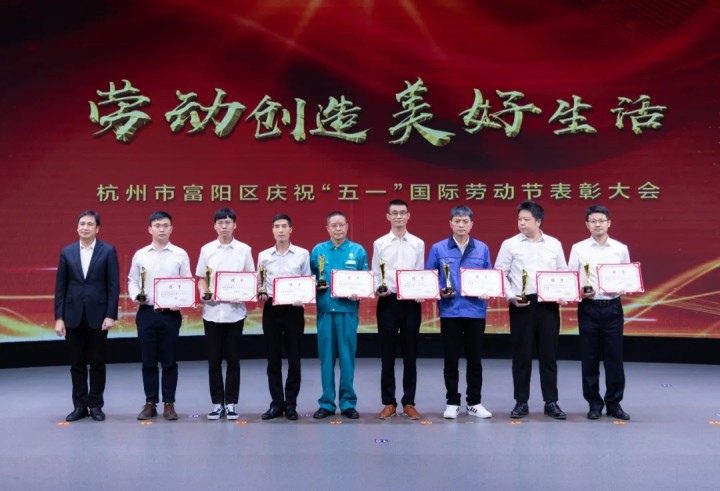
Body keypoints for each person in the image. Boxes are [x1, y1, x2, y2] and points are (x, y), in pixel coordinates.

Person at [495, 200, 568, 420]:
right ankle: (521, 402)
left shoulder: (554, 244)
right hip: (521, 304)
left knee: (549, 355)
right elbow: (500, 273)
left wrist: (563, 293)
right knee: (521, 355)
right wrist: (510, 296)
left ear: (538, 221)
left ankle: (551, 402)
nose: (521, 223)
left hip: (548, 305)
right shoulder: (510, 244)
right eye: (519, 219)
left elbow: (562, 271)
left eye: (526, 219)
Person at [426, 205, 493, 420]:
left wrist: (487, 290)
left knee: (475, 360)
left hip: (475, 312)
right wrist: (440, 291)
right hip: (450, 312)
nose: (461, 225)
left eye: (465, 221)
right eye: (457, 221)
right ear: (450, 223)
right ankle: (452, 402)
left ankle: (474, 402)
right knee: (451, 359)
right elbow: (429, 277)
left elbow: (490, 277)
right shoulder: (438, 248)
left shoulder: (482, 248)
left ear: (472, 224)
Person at [54, 210, 120, 422]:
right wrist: (59, 317)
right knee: (77, 364)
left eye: (90, 224)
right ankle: (80, 406)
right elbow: (60, 287)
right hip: (72, 316)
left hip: (98, 316)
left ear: (97, 229)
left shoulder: (107, 251)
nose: (85, 227)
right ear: (77, 227)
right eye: (82, 223)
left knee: (97, 363)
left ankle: (96, 405)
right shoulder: (67, 252)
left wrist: (110, 314)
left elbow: (113, 286)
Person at [568, 205, 631, 420]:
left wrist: (624, 286)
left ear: (609, 223)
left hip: (613, 307)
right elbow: (571, 278)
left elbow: (627, 275)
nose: (597, 224)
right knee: (590, 358)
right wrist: (580, 291)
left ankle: (614, 403)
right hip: (589, 307)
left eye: (601, 220)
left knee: (615, 358)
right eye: (593, 221)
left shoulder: (620, 248)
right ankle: (594, 404)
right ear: (587, 225)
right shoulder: (578, 248)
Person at [128, 211, 191, 421]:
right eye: (157, 225)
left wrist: (181, 300)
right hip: (146, 313)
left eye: (165, 225)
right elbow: (132, 280)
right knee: (148, 361)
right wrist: (136, 296)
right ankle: (150, 403)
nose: (161, 229)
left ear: (171, 229)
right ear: (150, 229)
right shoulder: (140, 255)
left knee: (169, 361)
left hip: (170, 315)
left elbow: (187, 282)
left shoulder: (180, 254)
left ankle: (169, 403)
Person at [196, 208, 254, 421]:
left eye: (228, 222)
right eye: (220, 222)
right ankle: (216, 403)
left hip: (235, 314)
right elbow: (201, 278)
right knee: (213, 362)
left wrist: (243, 293)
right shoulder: (207, 249)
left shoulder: (244, 250)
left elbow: (250, 278)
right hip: (212, 313)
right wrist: (203, 292)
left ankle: (231, 403)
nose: (224, 226)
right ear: (214, 226)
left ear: (234, 225)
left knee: (233, 361)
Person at [310, 211, 369, 419]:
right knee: (326, 360)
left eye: (341, 224)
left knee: (347, 359)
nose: (338, 229)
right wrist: (314, 285)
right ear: (327, 228)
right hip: (326, 311)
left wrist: (358, 291)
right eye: (333, 225)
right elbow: (309, 279)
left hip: (348, 312)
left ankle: (347, 403)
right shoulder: (318, 251)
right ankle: (326, 403)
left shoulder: (358, 251)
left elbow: (365, 281)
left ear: (347, 226)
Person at [372, 199, 425, 420]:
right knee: (387, 355)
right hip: (388, 301)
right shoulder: (380, 243)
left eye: (402, 213)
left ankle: (409, 402)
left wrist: (421, 290)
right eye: (394, 213)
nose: (399, 217)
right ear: (388, 217)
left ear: (408, 215)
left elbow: (420, 272)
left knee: (410, 355)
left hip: (411, 303)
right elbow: (376, 273)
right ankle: (389, 402)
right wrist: (378, 288)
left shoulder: (418, 243)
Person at [257, 214, 311, 421]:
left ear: (291, 230)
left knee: (294, 358)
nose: (280, 230)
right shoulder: (263, 256)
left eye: (284, 226)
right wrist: (260, 292)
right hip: (271, 308)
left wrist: (303, 297)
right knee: (273, 358)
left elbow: (307, 280)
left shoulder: (302, 254)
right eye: (277, 226)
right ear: (272, 230)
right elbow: (260, 283)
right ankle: (276, 403)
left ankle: (291, 404)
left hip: (293, 310)